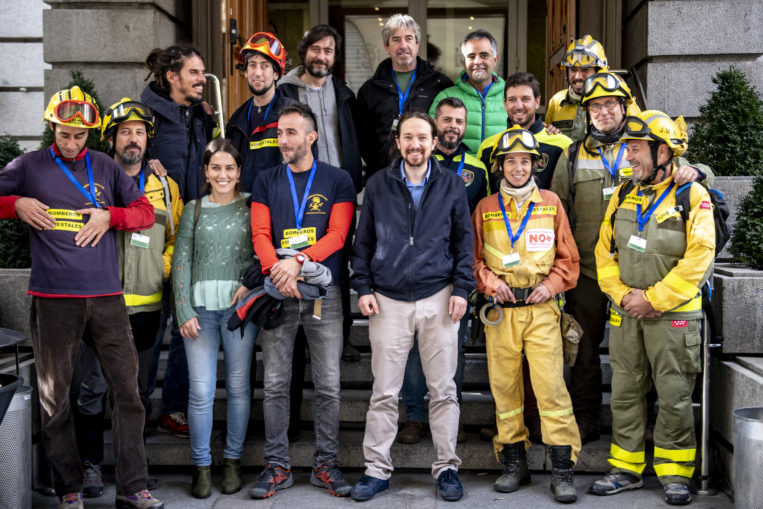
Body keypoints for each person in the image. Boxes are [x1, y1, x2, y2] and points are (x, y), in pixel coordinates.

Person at [0, 86, 162, 509]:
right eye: (64, 133)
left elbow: (145, 212)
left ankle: (133, 487)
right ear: (51, 126)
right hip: (54, 299)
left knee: (128, 393)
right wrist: (15, 204)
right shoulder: (28, 166)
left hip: (108, 298)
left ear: (91, 133)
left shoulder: (106, 166)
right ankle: (69, 489)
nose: (72, 143)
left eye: (80, 135)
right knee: (56, 398)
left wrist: (113, 216)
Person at [550, 72, 708, 444]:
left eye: (609, 104)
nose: (602, 112)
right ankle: (587, 417)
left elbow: (698, 177)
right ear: (586, 113)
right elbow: (557, 213)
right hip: (589, 272)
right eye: (594, 106)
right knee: (584, 350)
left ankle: (653, 422)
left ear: (624, 107)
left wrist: (697, 170)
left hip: (644, 274)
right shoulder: (571, 156)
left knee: (649, 351)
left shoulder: (647, 143)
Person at [592, 111, 716, 506]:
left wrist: (654, 299)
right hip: (627, 312)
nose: (629, 157)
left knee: (675, 393)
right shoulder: (623, 194)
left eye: (636, 149)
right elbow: (604, 253)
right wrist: (623, 295)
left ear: (663, 151)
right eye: (628, 148)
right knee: (626, 392)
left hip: (675, 316)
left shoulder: (692, 195)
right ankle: (625, 469)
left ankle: (675, 473)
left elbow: (700, 257)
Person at [350, 111, 473, 502]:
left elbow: (464, 242)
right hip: (387, 299)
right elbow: (364, 242)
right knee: (384, 391)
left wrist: (462, 290)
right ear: (398, 142)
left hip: (439, 295)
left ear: (434, 141)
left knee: (443, 390)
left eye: (423, 137)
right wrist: (363, 286)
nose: (416, 144)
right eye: (408, 137)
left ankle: (447, 467)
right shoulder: (378, 184)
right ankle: (376, 469)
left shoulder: (452, 185)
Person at [72, 98, 182, 498]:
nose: (132, 139)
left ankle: (130, 472)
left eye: (139, 132)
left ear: (147, 139)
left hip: (148, 310)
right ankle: (88, 466)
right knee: (91, 392)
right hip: (100, 307)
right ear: (111, 139)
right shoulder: (91, 181)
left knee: (135, 395)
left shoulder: (165, 187)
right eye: (124, 133)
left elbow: (176, 238)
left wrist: (163, 268)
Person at [248, 102, 356, 499]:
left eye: (291, 133)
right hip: (278, 290)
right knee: (275, 383)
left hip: (323, 293)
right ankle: (276, 466)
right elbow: (260, 233)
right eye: (280, 133)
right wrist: (278, 272)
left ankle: (326, 464)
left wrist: (296, 262)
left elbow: (338, 235)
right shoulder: (265, 179)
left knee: (328, 384)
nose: (283, 140)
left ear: (311, 137)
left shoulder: (337, 179)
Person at [472, 125, 581, 503]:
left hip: (542, 310)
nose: (517, 168)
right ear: (499, 166)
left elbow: (569, 260)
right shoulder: (485, 208)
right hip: (501, 312)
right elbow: (473, 260)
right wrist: (489, 283)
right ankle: (514, 462)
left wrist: (550, 286)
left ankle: (563, 468)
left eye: (524, 161)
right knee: (506, 390)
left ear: (535, 165)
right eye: (510, 161)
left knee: (551, 387)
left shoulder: (551, 202)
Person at [397, 97, 488, 445]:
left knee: (453, 349)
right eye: (446, 120)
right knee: (414, 349)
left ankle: (450, 413)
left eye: (459, 121)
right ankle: (415, 417)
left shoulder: (477, 168)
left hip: (456, 273)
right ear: (435, 125)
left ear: (466, 127)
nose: (452, 126)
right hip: (413, 272)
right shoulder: (415, 160)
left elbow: (480, 224)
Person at [172, 139, 258, 499]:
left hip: (240, 311)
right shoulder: (194, 208)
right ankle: (202, 466)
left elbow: (262, 253)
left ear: (239, 172)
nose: (223, 175)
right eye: (216, 168)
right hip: (200, 312)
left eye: (230, 168)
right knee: (202, 390)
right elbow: (181, 261)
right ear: (206, 172)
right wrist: (182, 308)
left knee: (238, 388)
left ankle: (233, 462)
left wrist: (249, 285)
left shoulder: (252, 206)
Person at [142, 44, 216, 439]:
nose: (202, 78)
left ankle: (174, 408)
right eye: (195, 72)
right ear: (172, 77)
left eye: (202, 72)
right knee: (152, 327)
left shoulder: (199, 116)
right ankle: (137, 406)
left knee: (189, 320)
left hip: (193, 234)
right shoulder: (145, 117)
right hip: (153, 241)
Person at [357, 14, 452, 178]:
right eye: (396, 39)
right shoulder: (370, 90)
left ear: (417, 44)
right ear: (387, 47)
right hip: (383, 176)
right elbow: (363, 138)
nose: (403, 45)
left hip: (429, 175)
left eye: (409, 38)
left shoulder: (439, 85)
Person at [478, 72, 572, 193]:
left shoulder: (562, 144)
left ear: (537, 102)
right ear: (505, 104)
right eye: (512, 100)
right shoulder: (488, 147)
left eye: (525, 99)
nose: (518, 106)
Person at [228, 32, 297, 192]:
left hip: (282, 208)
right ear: (245, 71)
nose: (257, 72)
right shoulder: (236, 121)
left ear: (275, 74)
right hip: (245, 208)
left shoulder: (294, 115)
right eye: (252, 65)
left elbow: (306, 169)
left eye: (265, 66)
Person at [428, 30, 507, 154]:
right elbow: (429, 140)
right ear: (463, 62)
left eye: (484, 55)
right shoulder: (446, 96)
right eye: (471, 56)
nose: (477, 61)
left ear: (495, 59)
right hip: (457, 172)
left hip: (500, 172)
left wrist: (548, 126)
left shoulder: (510, 96)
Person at [546, 35, 608, 141]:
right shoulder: (556, 101)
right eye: (573, 69)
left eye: (585, 70)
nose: (578, 76)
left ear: (599, 71)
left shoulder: (616, 102)